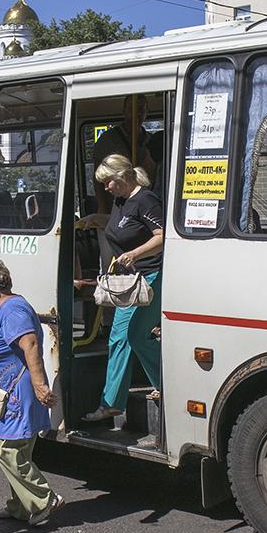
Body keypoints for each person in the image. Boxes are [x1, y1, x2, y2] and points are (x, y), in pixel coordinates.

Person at [0, 260, 64, 527]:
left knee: (7, 451)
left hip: (19, 394)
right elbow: (9, 346)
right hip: (14, 393)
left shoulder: (13, 309)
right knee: (20, 451)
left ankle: (44, 500)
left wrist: (41, 385)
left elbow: (29, 344)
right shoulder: (9, 308)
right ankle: (20, 507)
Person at [82, 155, 164, 424]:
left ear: (122, 178)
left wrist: (135, 254)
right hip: (128, 283)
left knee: (137, 336)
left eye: (108, 182)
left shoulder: (146, 199)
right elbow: (123, 223)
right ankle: (112, 403)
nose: (105, 189)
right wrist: (98, 218)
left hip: (150, 277)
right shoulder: (122, 200)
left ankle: (165, 386)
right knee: (118, 339)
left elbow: (163, 236)